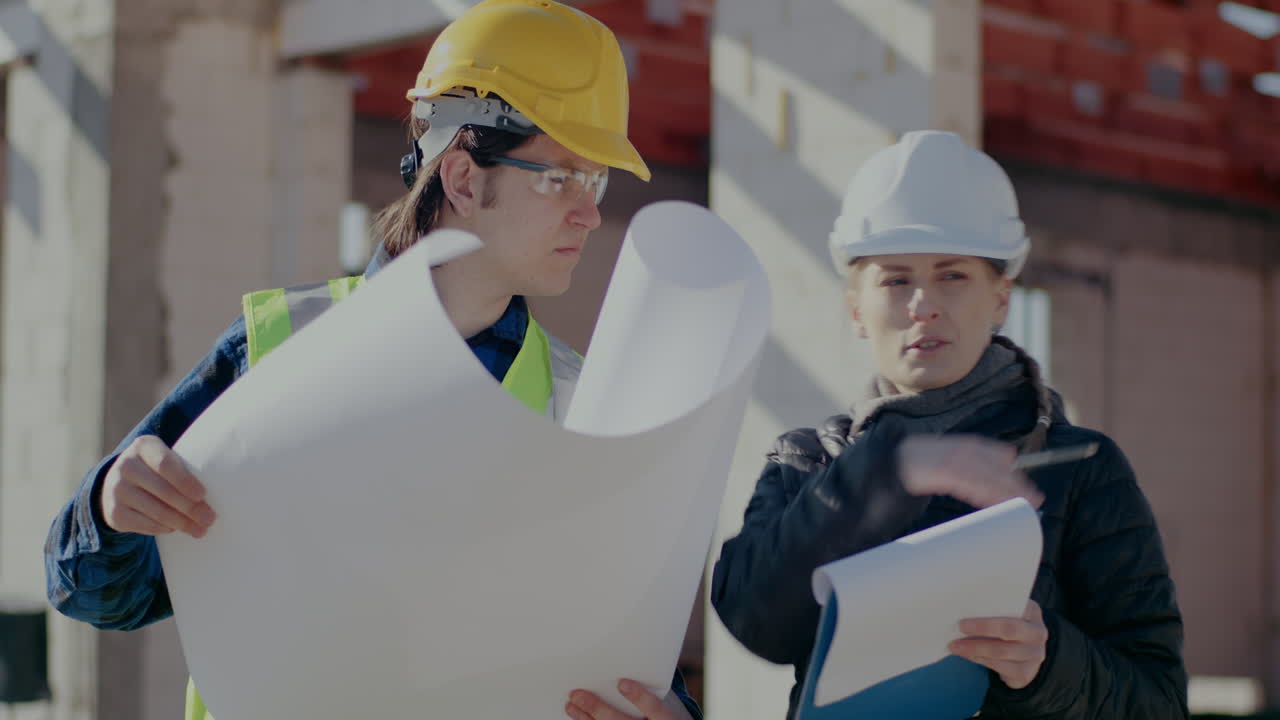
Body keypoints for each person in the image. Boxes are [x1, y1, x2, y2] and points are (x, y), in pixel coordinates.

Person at [44, 2, 699, 719]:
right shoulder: (280, 347)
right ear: (463, 178)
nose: (590, 213)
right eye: (560, 177)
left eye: (594, 181)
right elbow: (101, 593)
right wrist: (114, 504)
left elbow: (624, 661)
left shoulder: (584, 404)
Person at [710, 131, 1188, 719]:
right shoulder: (808, 463)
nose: (923, 305)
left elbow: (1159, 703)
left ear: (1001, 299)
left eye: (953, 275)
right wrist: (886, 474)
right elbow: (755, 620)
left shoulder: (1084, 470)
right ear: (856, 309)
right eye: (896, 280)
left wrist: (1049, 665)